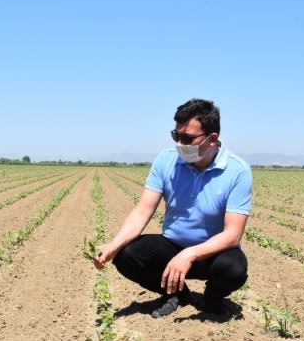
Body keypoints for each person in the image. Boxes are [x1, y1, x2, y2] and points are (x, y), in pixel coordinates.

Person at [93, 98, 252, 317]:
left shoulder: (237, 171)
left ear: (212, 139)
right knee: (126, 255)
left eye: (187, 139)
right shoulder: (166, 161)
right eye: (175, 136)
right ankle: (176, 294)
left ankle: (212, 298)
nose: (179, 144)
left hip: (212, 253)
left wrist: (190, 254)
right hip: (172, 246)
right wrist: (114, 244)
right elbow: (142, 211)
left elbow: (232, 234)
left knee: (233, 270)